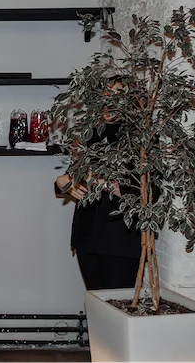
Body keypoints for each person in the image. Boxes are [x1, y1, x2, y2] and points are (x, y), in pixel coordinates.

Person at [54, 77, 141, 290]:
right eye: (107, 94)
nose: (111, 100)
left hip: (120, 240)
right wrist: (62, 182)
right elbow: (74, 178)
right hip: (86, 235)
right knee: (95, 303)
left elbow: (148, 194)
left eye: (118, 94)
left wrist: (101, 181)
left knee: (116, 306)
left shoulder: (140, 138)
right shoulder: (91, 134)